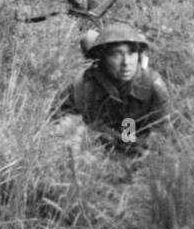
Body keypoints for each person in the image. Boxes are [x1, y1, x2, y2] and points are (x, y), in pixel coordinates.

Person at [52, 21, 169, 153]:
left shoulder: (153, 85)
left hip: (139, 155)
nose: (126, 62)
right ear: (102, 58)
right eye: (116, 54)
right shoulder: (83, 85)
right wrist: (91, 136)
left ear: (139, 55)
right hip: (92, 157)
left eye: (131, 53)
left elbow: (162, 132)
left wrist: (144, 145)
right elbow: (57, 123)